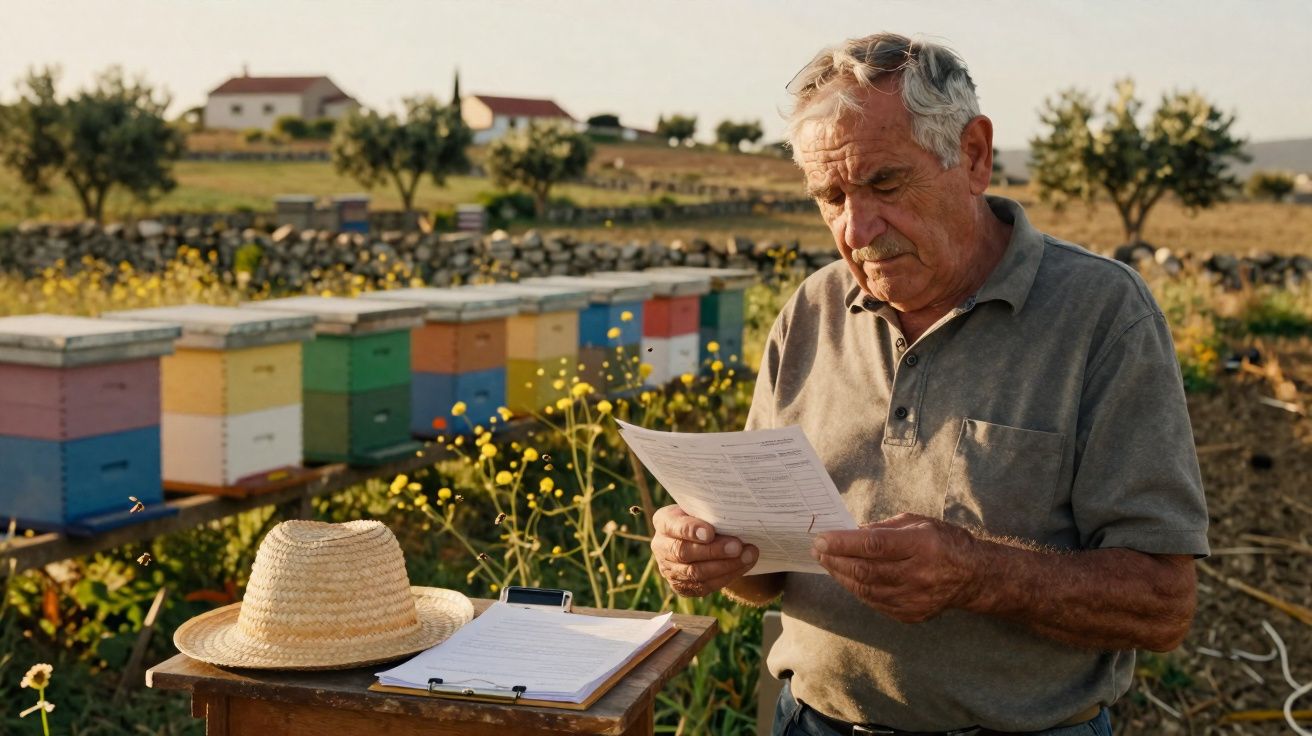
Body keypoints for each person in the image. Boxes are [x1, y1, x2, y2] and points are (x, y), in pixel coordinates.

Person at [649, 32, 1209, 736]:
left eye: (885, 184)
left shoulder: (1102, 314)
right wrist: (711, 552)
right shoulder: (811, 311)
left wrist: (975, 574)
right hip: (810, 722)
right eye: (831, 196)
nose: (857, 228)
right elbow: (763, 572)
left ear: (973, 155)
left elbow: (1161, 604)